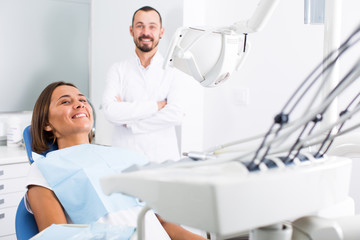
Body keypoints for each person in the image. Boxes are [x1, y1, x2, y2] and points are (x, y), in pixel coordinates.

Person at [25, 81, 206, 240]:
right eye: (65, 102)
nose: (79, 105)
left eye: (82, 100)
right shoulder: (45, 169)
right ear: (46, 124)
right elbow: (58, 236)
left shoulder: (124, 157)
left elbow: (162, 222)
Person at [102, 6, 185, 163]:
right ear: (131, 30)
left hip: (164, 160)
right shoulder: (118, 69)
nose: (146, 32)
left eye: (152, 27)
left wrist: (130, 122)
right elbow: (110, 111)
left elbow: (175, 114)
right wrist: (157, 106)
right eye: (140, 26)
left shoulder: (174, 70)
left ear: (161, 32)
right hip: (124, 159)